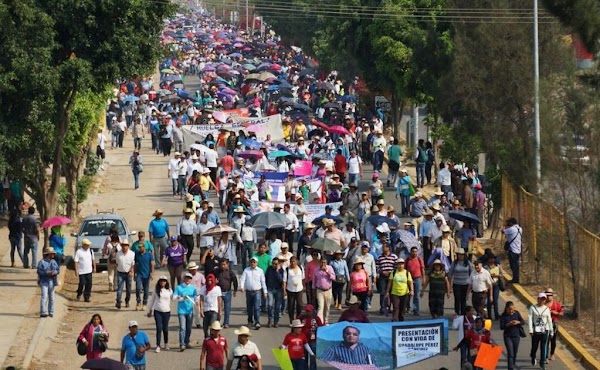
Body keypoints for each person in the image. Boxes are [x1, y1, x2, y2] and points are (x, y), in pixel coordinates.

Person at [146, 275, 172, 352]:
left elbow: (173, 298)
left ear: (166, 282)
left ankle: (166, 343)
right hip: (158, 311)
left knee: (165, 328)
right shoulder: (156, 290)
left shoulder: (169, 290)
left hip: (166, 311)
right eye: (161, 281)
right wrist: (149, 310)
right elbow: (152, 301)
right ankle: (158, 345)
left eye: (164, 281)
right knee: (159, 328)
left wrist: (181, 297)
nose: (162, 282)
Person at [240, 257, 267, 330]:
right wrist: (242, 287)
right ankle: (250, 321)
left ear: (257, 263)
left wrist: (265, 292)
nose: (253, 263)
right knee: (249, 308)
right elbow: (242, 279)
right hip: (249, 292)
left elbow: (263, 282)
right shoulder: (246, 270)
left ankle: (257, 322)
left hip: (257, 291)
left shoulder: (260, 271)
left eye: (254, 262)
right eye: (251, 262)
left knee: (257, 307)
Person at [173, 272, 198, 351]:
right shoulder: (179, 288)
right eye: (186, 278)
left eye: (189, 278)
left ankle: (187, 341)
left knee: (189, 328)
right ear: (184, 279)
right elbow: (173, 298)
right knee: (182, 328)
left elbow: (195, 297)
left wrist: (196, 301)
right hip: (181, 311)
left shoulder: (193, 288)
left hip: (190, 310)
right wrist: (181, 298)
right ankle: (182, 344)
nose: (188, 280)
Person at [528, 292, 554, 368]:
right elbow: (530, 318)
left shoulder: (546, 309)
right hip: (536, 330)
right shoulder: (532, 307)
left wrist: (551, 331)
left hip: (545, 330)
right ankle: (533, 356)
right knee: (534, 346)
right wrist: (530, 330)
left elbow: (549, 320)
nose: (542, 301)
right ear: (538, 299)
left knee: (543, 346)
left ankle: (542, 363)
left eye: (544, 299)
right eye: (541, 299)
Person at [500, 301, 526, 370]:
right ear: (506, 309)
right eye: (510, 309)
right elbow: (501, 327)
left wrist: (518, 322)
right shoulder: (503, 315)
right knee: (510, 353)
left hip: (516, 336)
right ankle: (510, 368)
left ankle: (513, 365)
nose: (511, 311)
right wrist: (508, 324)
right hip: (508, 336)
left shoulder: (516, 313)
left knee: (514, 352)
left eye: (512, 309)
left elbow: (523, 322)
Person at [449, 248, 473, 316]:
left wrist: (471, 285)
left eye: (462, 255)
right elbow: (450, 274)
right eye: (459, 255)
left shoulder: (468, 263)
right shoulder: (454, 263)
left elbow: (471, 274)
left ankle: (463, 315)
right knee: (457, 299)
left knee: (464, 300)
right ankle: (457, 313)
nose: (461, 256)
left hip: (466, 284)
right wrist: (449, 287)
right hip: (456, 284)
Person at [215, 259, 238, 328]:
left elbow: (235, 281)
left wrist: (235, 290)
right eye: (221, 264)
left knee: (227, 308)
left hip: (227, 292)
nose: (223, 266)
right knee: (218, 308)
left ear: (227, 264)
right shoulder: (217, 271)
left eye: (224, 264)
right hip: (219, 293)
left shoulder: (230, 273)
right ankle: (217, 322)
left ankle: (226, 323)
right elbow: (211, 278)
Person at [312, 256, 335, 324]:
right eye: (322, 262)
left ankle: (326, 319)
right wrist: (313, 290)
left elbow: (333, 278)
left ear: (326, 263)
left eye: (324, 262)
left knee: (327, 306)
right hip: (320, 290)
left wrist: (327, 271)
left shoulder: (330, 268)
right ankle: (320, 322)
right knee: (320, 307)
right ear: (320, 262)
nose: (323, 264)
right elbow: (314, 281)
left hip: (328, 290)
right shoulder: (316, 269)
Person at [37, 247, 60, 317]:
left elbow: (58, 270)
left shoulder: (54, 262)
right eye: (52, 253)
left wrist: (55, 272)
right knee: (44, 296)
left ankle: (51, 311)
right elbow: (39, 272)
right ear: (48, 254)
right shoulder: (41, 262)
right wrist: (47, 273)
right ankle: (43, 312)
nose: (53, 255)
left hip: (52, 281)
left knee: (52, 297)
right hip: (44, 281)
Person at [376, 243, 397, 314]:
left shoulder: (394, 256)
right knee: (382, 292)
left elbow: (396, 266)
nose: (383, 249)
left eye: (384, 247)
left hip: (391, 277)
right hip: (383, 277)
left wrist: (391, 272)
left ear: (388, 248)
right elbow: (377, 267)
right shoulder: (379, 257)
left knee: (391, 292)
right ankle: (382, 307)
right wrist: (382, 272)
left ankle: (389, 307)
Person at [200, 274, 223, 338]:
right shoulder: (204, 288)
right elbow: (201, 299)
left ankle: (211, 339)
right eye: (208, 280)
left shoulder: (217, 288)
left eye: (211, 280)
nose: (209, 282)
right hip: (206, 309)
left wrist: (220, 310)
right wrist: (201, 309)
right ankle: (206, 336)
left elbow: (219, 300)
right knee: (205, 326)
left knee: (212, 325)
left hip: (214, 310)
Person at [134, 239, 155, 311]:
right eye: (139, 247)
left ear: (144, 247)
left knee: (146, 290)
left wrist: (152, 273)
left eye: (141, 247)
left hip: (146, 274)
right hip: (139, 274)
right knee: (138, 288)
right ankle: (138, 302)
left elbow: (152, 264)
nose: (140, 249)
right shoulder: (137, 254)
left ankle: (144, 303)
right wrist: (134, 274)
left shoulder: (149, 254)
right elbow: (135, 264)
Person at [115, 239, 135, 309]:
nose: (124, 247)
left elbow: (133, 264)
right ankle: (118, 301)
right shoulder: (118, 253)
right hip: (120, 272)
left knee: (128, 289)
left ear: (128, 246)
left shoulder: (132, 254)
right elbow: (117, 262)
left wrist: (131, 271)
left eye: (126, 246)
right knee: (119, 288)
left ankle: (127, 301)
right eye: (123, 245)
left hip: (128, 273)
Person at [545, 288, 563, 362]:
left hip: (553, 323)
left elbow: (562, 313)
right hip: (545, 324)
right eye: (547, 294)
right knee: (545, 340)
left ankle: (552, 354)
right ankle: (545, 356)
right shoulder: (542, 303)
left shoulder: (556, 304)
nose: (549, 296)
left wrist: (556, 313)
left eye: (550, 294)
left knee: (553, 340)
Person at [405, 246, 425, 315]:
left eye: (416, 251)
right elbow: (404, 269)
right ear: (410, 252)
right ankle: (408, 308)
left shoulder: (420, 260)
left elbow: (422, 269)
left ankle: (416, 309)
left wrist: (423, 279)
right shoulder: (407, 260)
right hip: (408, 279)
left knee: (416, 295)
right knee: (408, 294)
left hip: (417, 278)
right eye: (413, 251)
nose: (414, 253)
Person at [502, 217, 522, 283]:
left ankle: (515, 279)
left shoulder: (512, 229)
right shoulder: (520, 229)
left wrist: (504, 226)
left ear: (511, 223)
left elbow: (503, 231)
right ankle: (516, 278)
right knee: (516, 265)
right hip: (518, 249)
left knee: (513, 265)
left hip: (512, 249)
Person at [265, 257, 284, 327]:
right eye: (273, 264)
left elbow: (281, 280)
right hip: (270, 289)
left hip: (278, 290)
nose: (274, 265)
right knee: (270, 305)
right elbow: (266, 278)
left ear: (278, 264)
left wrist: (277, 271)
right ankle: (270, 320)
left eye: (275, 264)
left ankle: (276, 322)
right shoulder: (269, 269)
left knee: (277, 307)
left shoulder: (281, 270)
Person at [484, 254, 502, 320]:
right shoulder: (486, 267)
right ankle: (489, 315)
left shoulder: (498, 266)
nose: (492, 260)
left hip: (496, 284)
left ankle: (496, 314)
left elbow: (501, 274)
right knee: (489, 300)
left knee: (495, 300)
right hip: (489, 285)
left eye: (493, 259)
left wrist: (497, 275)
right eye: (490, 259)